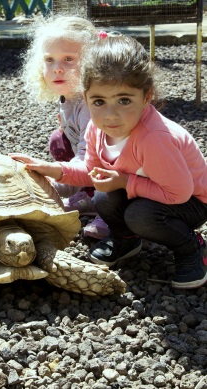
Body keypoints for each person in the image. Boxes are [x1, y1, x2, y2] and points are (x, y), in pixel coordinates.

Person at [10, 34, 207, 289]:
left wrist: (125, 181)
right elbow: (91, 172)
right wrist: (54, 170)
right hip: (155, 192)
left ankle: (192, 248)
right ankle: (125, 239)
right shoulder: (95, 128)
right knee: (103, 195)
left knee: (139, 213)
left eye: (124, 100)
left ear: (147, 96)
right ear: (86, 96)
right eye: (99, 101)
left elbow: (179, 193)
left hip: (191, 202)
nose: (111, 115)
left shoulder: (154, 138)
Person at [21, 13, 109, 240]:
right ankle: (88, 195)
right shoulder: (70, 96)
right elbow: (76, 142)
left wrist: (56, 180)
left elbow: (91, 157)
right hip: (90, 162)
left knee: (108, 164)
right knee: (58, 140)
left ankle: (110, 211)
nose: (57, 68)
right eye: (49, 60)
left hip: (116, 170)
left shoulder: (92, 104)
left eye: (69, 59)